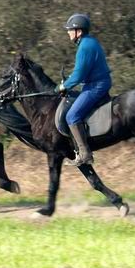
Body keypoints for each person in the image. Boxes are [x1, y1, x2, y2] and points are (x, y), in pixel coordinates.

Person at [54, 13, 111, 165]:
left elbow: (79, 75)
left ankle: (85, 154)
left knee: (72, 116)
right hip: (94, 83)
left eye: (69, 30)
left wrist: (62, 86)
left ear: (78, 31)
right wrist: (68, 82)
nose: (68, 32)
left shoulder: (85, 47)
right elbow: (80, 71)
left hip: (96, 86)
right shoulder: (89, 42)